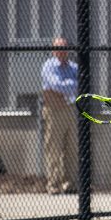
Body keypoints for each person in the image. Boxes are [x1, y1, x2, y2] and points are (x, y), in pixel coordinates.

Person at [41, 37, 78, 195]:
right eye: (58, 48)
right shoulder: (48, 66)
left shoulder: (73, 66)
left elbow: (80, 83)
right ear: (53, 50)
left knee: (72, 147)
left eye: (64, 48)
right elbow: (53, 84)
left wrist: (65, 88)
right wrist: (69, 86)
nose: (62, 52)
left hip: (71, 108)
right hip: (53, 110)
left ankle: (70, 185)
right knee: (53, 147)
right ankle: (53, 185)